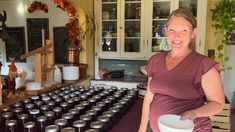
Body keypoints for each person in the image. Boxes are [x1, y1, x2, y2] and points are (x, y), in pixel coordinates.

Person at [138, 8, 225, 132]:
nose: (176, 36)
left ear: (193, 33)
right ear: (165, 31)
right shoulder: (156, 60)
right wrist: (142, 128)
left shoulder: (203, 64)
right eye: (172, 30)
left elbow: (218, 104)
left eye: (184, 30)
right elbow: (149, 97)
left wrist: (194, 113)